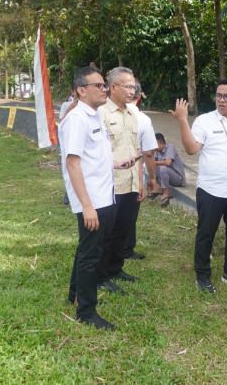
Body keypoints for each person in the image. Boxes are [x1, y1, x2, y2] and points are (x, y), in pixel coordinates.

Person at [171, 79, 227, 293]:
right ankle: (202, 276)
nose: (221, 100)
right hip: (211, 190)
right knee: (206, 234)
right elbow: (192, 149)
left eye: (226, 96)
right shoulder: (204, 121)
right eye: (218, 95)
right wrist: (183, 121)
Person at [60, 67, 118, 330]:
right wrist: (86, 206)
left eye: (105, 85)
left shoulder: (95, 116)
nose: (104, 89)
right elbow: (73, 163)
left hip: (105, 197)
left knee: (88, 249)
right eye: (99, 85)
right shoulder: (77, 120)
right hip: (91, 201)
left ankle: (75, 294)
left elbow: (95, 157)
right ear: (82, 90)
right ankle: (86, 311)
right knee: (90, 256)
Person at [96, 67, 142, 293]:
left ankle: (115, 267)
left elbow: (137, 149)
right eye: (128, 86)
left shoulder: (133, 113)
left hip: (131, 183)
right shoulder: (101, 113)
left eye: (133, 86)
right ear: (113, 87)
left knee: (124, 229)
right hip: (110, 184)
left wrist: (141, 182)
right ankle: (100, 275)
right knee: (107, 232)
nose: (132, 90)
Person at [123, 79, 158, 260]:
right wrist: (152, 178)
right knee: (129, 213)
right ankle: (126, 250)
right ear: (139, 97)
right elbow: (149, 154)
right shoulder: (143, 119)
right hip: (132, 175)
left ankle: (116, 250)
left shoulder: (102, 113)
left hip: (109, 174)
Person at [153, 132, 186, 207]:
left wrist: (153, 162)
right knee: (152, 167)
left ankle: (166, 193)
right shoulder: (157, 151)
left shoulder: (170, 147)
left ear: (160, 143)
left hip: (178, 179)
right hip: (168, 175)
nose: (154, 147)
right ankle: (158, 188)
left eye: (155, 144)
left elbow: (168, 162)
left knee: (162, 168)